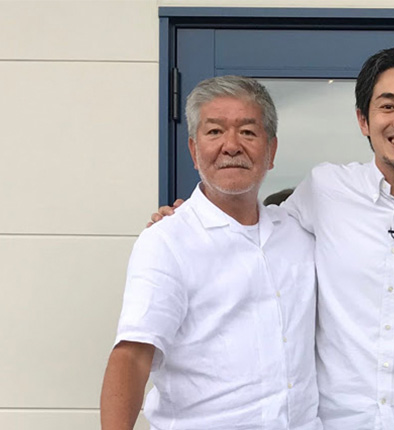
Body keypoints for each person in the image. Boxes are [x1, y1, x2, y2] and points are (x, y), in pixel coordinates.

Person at [149, 46, 394, 429]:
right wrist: (186, 219)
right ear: (363, 120)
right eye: (388, 106)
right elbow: (251, 231)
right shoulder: (325, 189)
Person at [101, 76, 320, 430]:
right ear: (193, 150)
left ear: (272, 150)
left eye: (248, 132)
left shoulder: (299, 232)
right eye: (215, 131)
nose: (231, 146)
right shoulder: (167, 241)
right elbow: (133, 356)